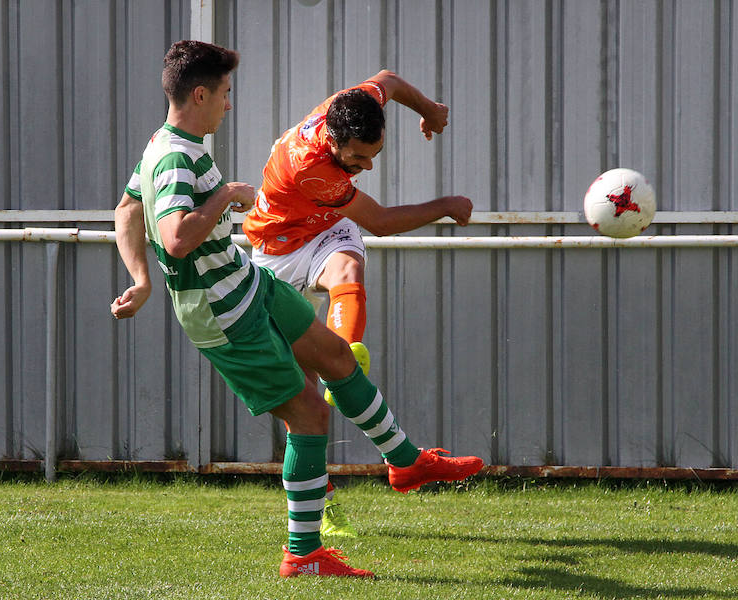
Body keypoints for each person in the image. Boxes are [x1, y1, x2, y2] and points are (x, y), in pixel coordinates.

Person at [110, 40, 483, 579]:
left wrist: (141, 281)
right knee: (310, 414)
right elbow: (175, 238)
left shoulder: (166, 144)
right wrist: (227, 196)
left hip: (246, 281)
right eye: (225, 94)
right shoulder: (175, 157)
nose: (229, 105)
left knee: (336, 356)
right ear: (199, 93)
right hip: (221, 311)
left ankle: (405, 462)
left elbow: (126, 208)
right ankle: (303, 554)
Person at [242, 69, 473, 406]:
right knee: (303, 399)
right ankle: (332, 386)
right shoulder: (310, 168)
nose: (368, 167)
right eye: (358, 158)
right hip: (278, 250)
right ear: (332, 141)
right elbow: (379, 221)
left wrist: (428, 109)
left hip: (325, 228)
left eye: (374, 154)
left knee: (349, 270)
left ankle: (341, 369)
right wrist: (446, 205)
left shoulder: (352, 105)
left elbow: (389, 81)